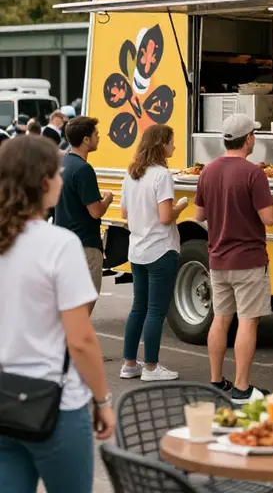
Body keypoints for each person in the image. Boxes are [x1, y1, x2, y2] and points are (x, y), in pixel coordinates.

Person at [0, 136, 115, 493]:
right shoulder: (59, 244)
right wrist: (102, 400)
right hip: (58, 404)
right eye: (58, 174)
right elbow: (80, 340)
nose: (63, 181)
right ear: (44, 181)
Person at [194, 113, 273, 404]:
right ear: (248, 138)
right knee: (248, 322)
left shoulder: (208, 171)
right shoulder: (254, 174)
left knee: (221, 320)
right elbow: (270, 218)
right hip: (249, 261)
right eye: (254, 134)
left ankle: (216, 380)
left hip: (218, 259)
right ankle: (241, 387)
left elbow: (199, 215)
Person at [119, 125, 188, 383]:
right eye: (172, 142)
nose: (175, 146)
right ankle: (151, 366)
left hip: (137, 249)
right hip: (161, 249)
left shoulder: (131, 174)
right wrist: (181, 205)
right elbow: (165, 217)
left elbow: (125, 215)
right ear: (161, 145)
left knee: (139, 306)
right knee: (156, 311)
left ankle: (129, 363)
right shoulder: (162, 175)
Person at [55, 117, 113, 309]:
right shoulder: (83, 170)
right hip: (85, 247)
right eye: (96, 134)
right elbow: (95, 211)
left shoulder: (63, 164)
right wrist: (107, 199)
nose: (99, 137)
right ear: (86, 140)